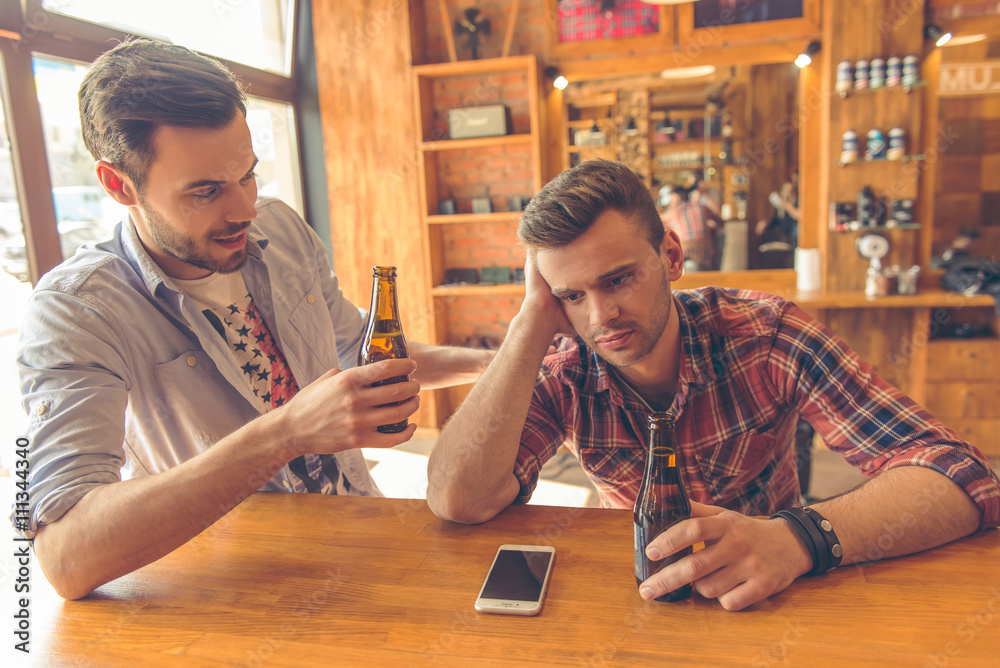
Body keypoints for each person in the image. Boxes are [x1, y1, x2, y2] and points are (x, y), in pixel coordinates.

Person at [14, 39, 492, 600]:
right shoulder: (75, 311)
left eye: (247, 175)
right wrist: (286, 434)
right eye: (206, 191)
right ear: (120, 185)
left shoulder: (282, 230)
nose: (243, 210)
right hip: (235, 594)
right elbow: (66, 556)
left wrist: (501, 363)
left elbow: (354, 350)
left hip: (365, 536)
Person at [426, 159, 999, 612]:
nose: (600, 317)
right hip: (638, 591)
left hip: (776, 588)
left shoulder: (766, 335)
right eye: (571, 296)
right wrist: (530, 323)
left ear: (671, 255)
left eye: (618, 279)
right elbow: (458, 498)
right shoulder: (565, 367)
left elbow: (961, 476)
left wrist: (798, 538)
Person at [660, 184, 721, 271]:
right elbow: (719, 219)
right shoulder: (701, 207)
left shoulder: (673, 212)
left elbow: (657, 222)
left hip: (684, 251)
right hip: (705, 252)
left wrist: (670, 207)